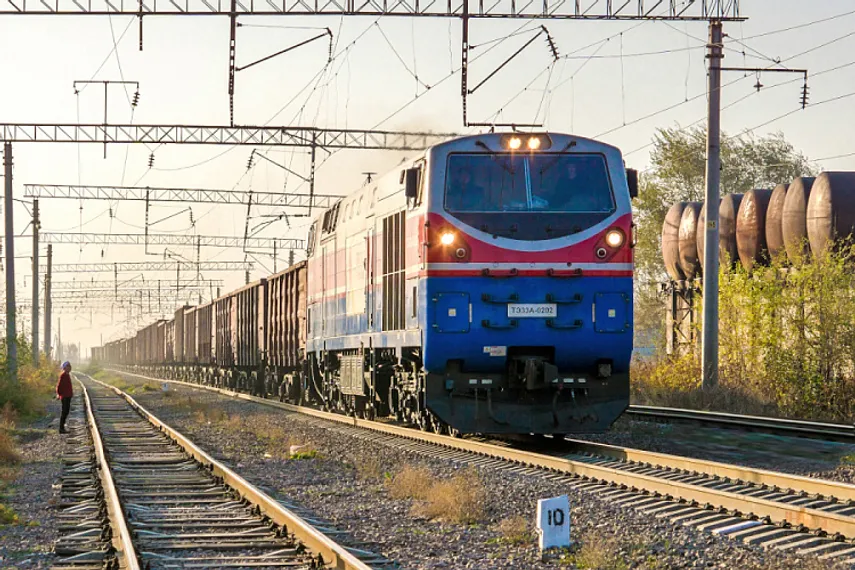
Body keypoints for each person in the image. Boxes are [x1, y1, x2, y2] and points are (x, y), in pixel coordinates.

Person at [56, 361, 73, 434]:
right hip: (65, 396)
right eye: (68, 366)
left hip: (68, 396)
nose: (69, 368)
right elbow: (59, 386)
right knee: (64, 412)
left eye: (70, 366)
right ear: (64, 368)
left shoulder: (67, 375)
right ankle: (61, 428)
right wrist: (59, 394)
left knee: (66, 411)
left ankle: (62, 427)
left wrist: (71, 394)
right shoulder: (63, 375)